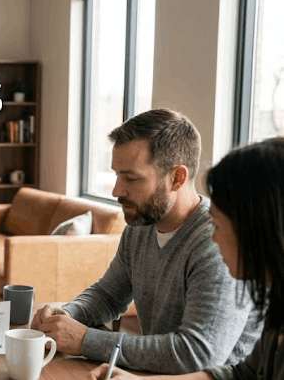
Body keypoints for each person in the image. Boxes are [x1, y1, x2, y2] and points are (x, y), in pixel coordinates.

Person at [32, 109, 262, 374]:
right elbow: (108, 296)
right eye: (117, 175)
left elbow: (198, 355)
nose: (116, 191)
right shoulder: (141, 225)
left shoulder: (218, 242)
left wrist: (85, 340)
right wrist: (68, 314)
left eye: (131, 178)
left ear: (177, 178)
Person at [89, 138, 284, 379]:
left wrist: (85, 340)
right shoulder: (277, 308)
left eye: (218, 225)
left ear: (260, 229)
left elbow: (199, 354)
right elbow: (244, 375)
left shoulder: (205, 246)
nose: (213, 238)